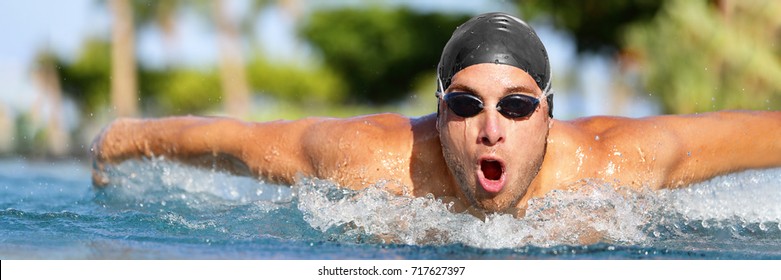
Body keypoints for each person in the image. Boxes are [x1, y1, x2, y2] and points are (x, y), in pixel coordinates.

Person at [91, 12, 781, 218]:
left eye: (515, 106)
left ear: (547, 113)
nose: (490, 128)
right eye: (464, 104)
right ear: (437, 110)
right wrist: (122, 139)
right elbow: (235, 142)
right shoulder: (371, 159)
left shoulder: (617, 162)